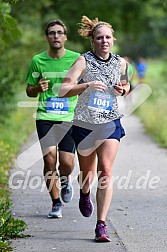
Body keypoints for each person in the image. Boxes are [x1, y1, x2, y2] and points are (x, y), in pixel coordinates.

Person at [58, 16, 130, 242]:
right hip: (85, 124)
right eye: (100, 38)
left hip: (110, 122)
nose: (104, 41)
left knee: (106, 171)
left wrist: (123, 90)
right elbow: (63, 89)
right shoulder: (83, 61)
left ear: (113, 40)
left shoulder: (121, 63)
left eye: (108, 37)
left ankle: (101, 225)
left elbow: (127, 84)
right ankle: (84, 191)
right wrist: (86, 85)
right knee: (87, 174)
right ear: (93, 41)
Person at [26, 20, 80, 218]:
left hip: (69, 117)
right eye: (51, 33)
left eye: (59, 33)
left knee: (66, 163)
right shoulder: (37, 61)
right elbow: (29, 90)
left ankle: (65, 179)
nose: (55, 36)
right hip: (45, 117)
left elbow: (84, 85)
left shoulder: (76, 59)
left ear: (65, 37)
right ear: (47, 37)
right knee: (50, 161)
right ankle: (56, 203)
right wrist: (37, 88)